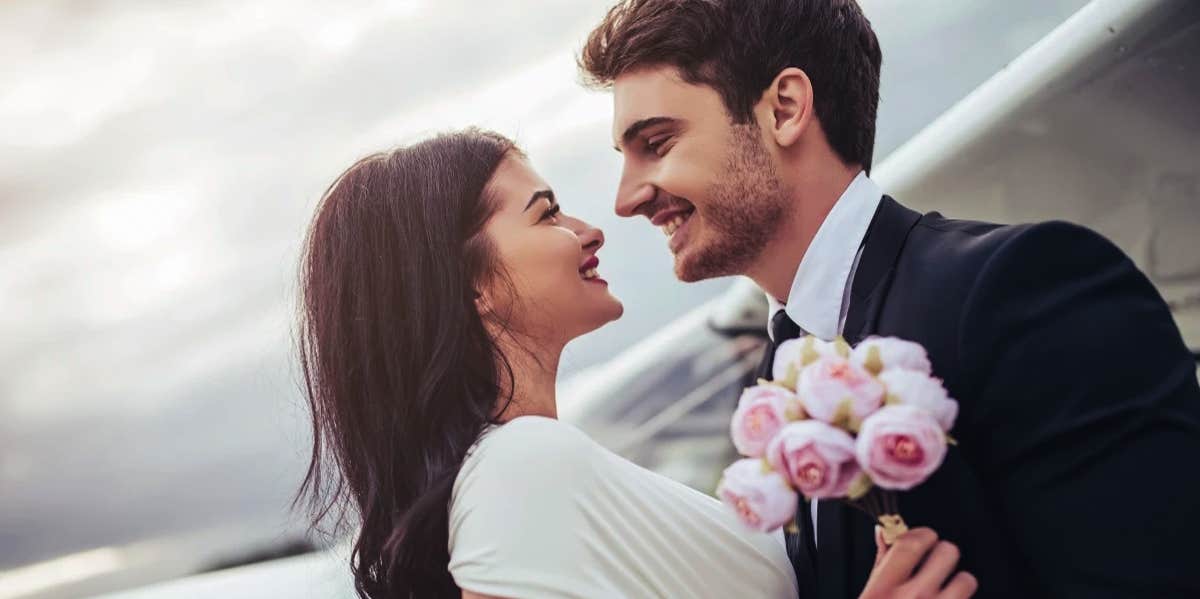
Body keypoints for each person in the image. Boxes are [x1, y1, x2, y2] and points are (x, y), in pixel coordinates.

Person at [577, 0, 1200, 597]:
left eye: (655, 144)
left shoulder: (1020, 290)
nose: (625, 199)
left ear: (785, 109)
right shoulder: (775, 384)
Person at [295, 129, 976, 598]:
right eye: (547, 215)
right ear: (469, 284)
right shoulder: (519, 464)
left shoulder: (526, 467)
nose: (589, 229)